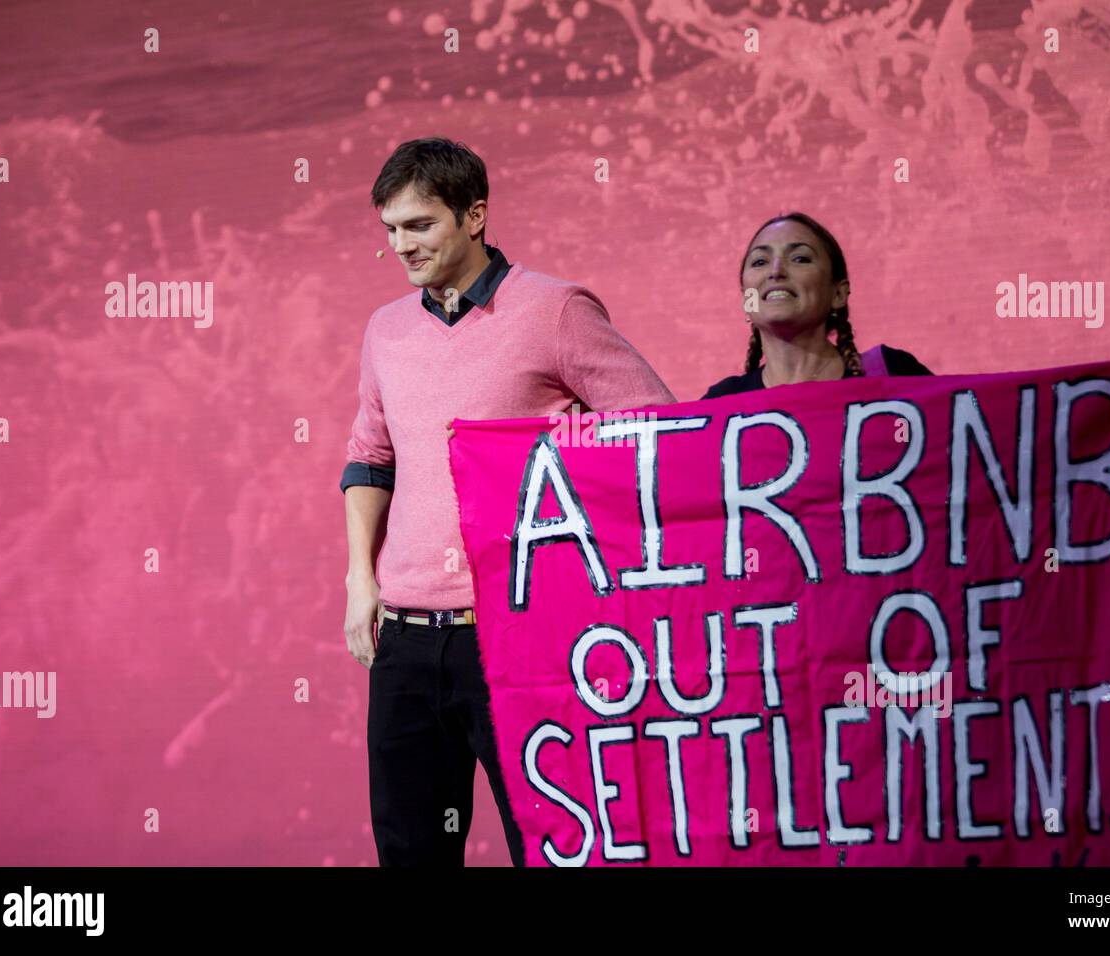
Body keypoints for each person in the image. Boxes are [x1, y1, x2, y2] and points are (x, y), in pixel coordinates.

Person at [341, 137, 674, 867]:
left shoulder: (554, 310)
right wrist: (360, 580)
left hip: (519, 633)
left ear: (475, 215)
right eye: (391, 230)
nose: (403, 245)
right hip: (404, 639)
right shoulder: (385, 331)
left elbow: (656, 431)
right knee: (412, 853)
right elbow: (370, 458)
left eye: (420, 225)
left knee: (555, 850)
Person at [703, 212, 931, 398]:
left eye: (800, 259)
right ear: (747, 299)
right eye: (760, 261)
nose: (775, 272)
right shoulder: (723, 402)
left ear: (838, 293)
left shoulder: (895, 374)